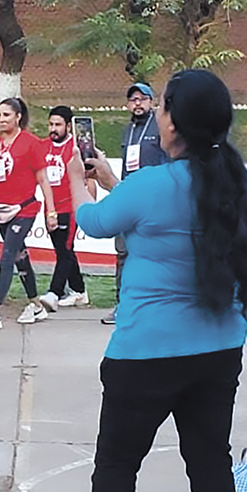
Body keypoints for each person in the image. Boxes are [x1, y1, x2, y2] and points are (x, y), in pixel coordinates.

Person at [50, 69, 247, 492]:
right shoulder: (232, 181)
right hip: (218, 347)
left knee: (118, 463)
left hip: (146, 350)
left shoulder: (151, 185)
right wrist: (111, 178)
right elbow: (156, 207)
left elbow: (97, 222)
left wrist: (78, 178)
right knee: (210, 464)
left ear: (173, 121)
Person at [86, 83, 170, 325]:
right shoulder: (128, 130)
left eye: (142, 99)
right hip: (128, 199)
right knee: (123, 254)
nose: (137, 103)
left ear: (152, 102)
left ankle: (155, 305)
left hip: (155, 201)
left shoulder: (161, 128)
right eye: (133, 99)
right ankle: (122, 305)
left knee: (153, 255)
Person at [0, 97, 54, 329]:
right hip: (1, 209)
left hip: (25, 208)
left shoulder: (31, 144)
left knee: (8, 253)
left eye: (6, 115)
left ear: (18, 117)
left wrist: (51, 211)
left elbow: (43, 179)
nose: (1, 120)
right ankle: (36, 304)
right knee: (21, 257)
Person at [39, 105, 88, 310]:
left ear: (68, 126)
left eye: (58, 125)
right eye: (51, 124)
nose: (53, 128)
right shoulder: (42, 146)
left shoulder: (75, 148)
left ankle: (54, 292)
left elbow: (89, 173)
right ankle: (79, 291)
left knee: (65, 251)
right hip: (51, 207)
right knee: (63, 250)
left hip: (70, 207)